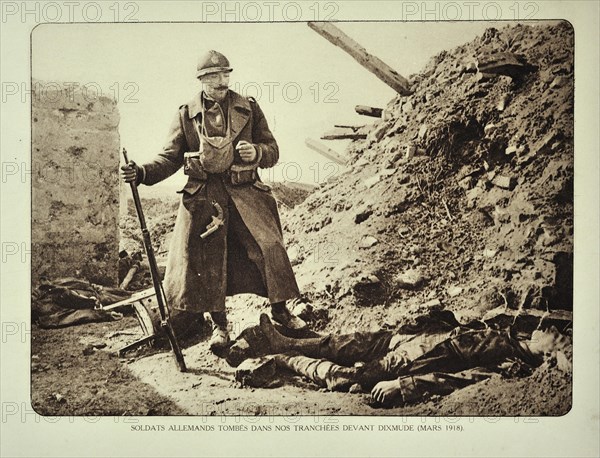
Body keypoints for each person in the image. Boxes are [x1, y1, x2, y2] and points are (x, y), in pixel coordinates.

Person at [121, 50, 306, 353]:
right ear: (202, 80)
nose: (222, 82)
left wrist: (257, 153)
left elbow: (272, 149)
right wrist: (141, 172)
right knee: (208, 261)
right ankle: (220, 326)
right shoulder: (186, 114)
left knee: (269, 247)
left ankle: (281, 311)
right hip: (205, 198)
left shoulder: (249, 108)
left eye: (225, 75)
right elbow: (169, 158)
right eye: (214, 77)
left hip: (245, 193)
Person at [231, 312, 571, 407]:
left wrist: (403, 385)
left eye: (556, 338)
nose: (549, 331)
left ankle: (283, 358)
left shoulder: (511, 365)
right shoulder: (513, 333)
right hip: (408, 339)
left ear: (551, 355)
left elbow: (457, 380)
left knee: (346, 376)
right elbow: (461, 328)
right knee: (345, 342)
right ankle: (287, 341)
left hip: (409, 364)